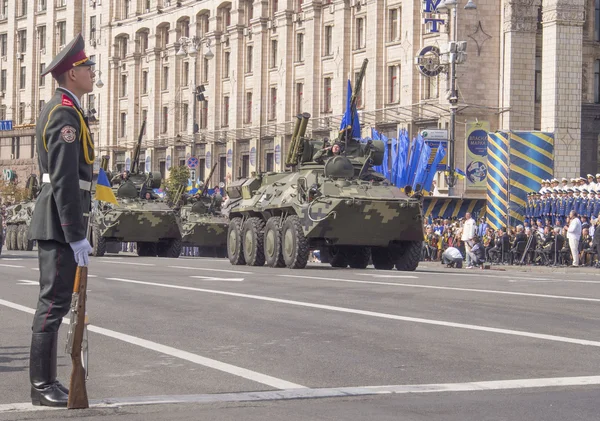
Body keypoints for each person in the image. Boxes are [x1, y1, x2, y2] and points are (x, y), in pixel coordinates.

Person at [27, 34, 95, 407]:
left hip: (62, 220)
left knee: (55, 303)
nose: (92, 72)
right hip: (58, 221)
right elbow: (65, 178)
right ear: (72, 74)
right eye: (87, 67)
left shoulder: (69, 109)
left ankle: (47, 382)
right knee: (52, 304)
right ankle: (42, 385)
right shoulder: (63, 114)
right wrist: (74, 234)